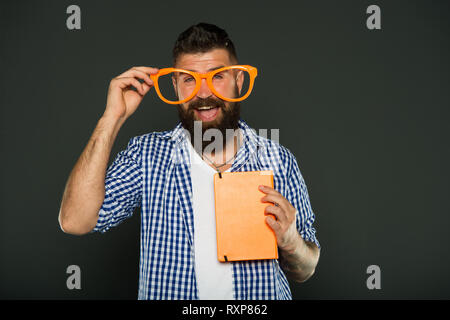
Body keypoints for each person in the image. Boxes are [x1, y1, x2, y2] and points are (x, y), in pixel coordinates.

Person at [58, 22, 320, 300]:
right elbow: (74, 220)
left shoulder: (278, 159)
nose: (204, 93)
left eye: (217, 76)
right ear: (174, 86)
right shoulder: (147, 156)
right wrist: (111, 118)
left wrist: (291, 242)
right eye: (189, 79)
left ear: (238, 81)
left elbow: (307, 268)